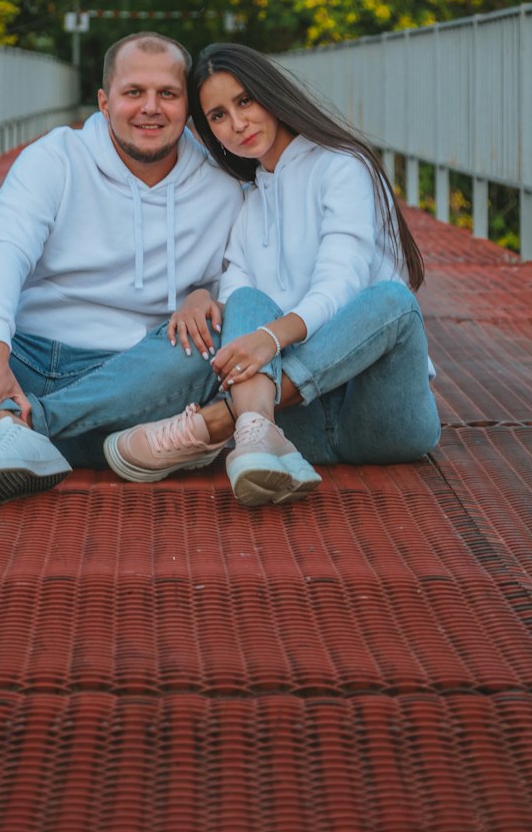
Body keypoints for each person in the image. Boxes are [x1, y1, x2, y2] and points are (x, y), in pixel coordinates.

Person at [0, 32, 244, 505]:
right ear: (103, 100)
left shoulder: (222, 187)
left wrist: (207, 295)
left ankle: (2, 429)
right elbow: (3, 250)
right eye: (134, 92)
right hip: (21, 362)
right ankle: (20, 428)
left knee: (215, 340)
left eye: (168, 94)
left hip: (127, 378)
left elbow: (244, 282)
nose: (150, 108)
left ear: (187, 106)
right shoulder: (55, 157)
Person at [104, 43, 440, 506]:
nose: (237, 124)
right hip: (296, 427)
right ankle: (254, 433)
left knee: (392, 301)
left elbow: (340, 284)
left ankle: (217, 423)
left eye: (245, 102)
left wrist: (274, 337)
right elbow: (240, 303)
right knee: (242, 302)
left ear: (272, 95)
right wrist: (203, 298)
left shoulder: (342, 166)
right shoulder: (249, 202)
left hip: (383, 416)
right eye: (218, 116)